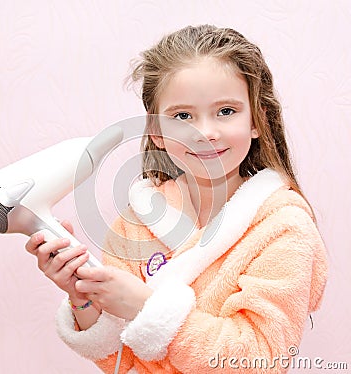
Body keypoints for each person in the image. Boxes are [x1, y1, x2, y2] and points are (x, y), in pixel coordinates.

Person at [25, 25, 328, 373]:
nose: (205, 132)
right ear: (156, 132)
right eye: (182, 116)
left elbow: (261, 358)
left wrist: (146, 307)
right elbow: (120, 361)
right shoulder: (136, 224)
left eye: (226, 111)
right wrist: (83, 297)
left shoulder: (284, 228)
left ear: (257, 118)